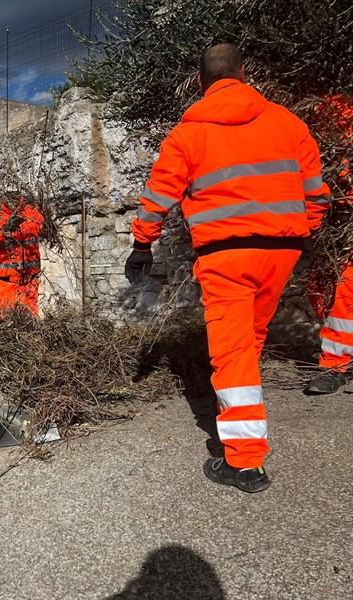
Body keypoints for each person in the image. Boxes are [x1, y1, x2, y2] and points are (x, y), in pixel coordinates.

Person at [124, 43, 331, 493]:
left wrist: (142, 244)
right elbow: (316, 193)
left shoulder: (187, 134)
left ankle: (244, 461)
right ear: (243, 72)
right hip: (280, 253)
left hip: (225, 259)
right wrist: (305, 237)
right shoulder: (288, 122)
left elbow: (160, 195)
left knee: (233, 352)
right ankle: (241, 416)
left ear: (200, 82)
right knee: (250, 341)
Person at [304, 94, 353, 394]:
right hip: (330, 213)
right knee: (318, 285)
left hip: (342, 211)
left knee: (346, 290)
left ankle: (334, 365)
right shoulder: (323, 103)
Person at [0, 195, 44, 315]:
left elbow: (44, 230)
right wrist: (6, 231)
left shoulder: (31, 212)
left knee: (29, 321)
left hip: (29, 281)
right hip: (5, 282)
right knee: (5, 320)